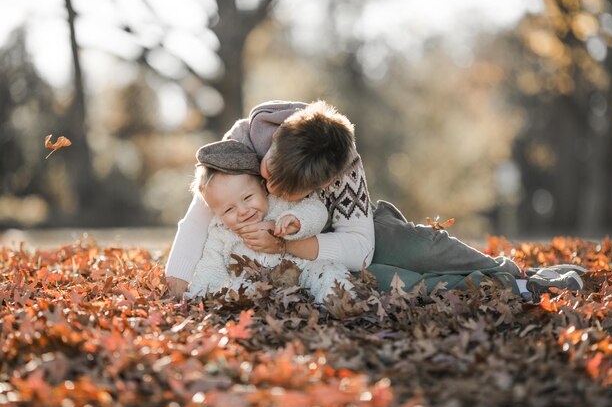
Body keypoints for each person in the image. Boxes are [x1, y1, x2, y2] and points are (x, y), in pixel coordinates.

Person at [166, 100, 580, 300]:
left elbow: (360, 246)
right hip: (308, 260)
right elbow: (202, 208)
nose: (270, 191)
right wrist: (178, 276)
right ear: (272, 146)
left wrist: (286, 242)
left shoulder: (343, 167)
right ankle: (518, 285)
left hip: (350, 234)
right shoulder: (242, 142)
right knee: (395, 283)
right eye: (268, 177)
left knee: (421, 247)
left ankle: (507, 271)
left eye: (285, 191)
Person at [184, 139, 354, 304]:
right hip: (254, 285)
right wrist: (197, 296)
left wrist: (297, 220)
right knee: (237, 287)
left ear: (262, 186)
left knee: (326, 270)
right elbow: (210, 269)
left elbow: (317, 209)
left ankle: (338, 300)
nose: (242, 211)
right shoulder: (220, 232)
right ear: (217, 214)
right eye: (229, 209)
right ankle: (256, 314)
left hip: (301, 273)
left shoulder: (281, 203)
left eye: (248, 197)